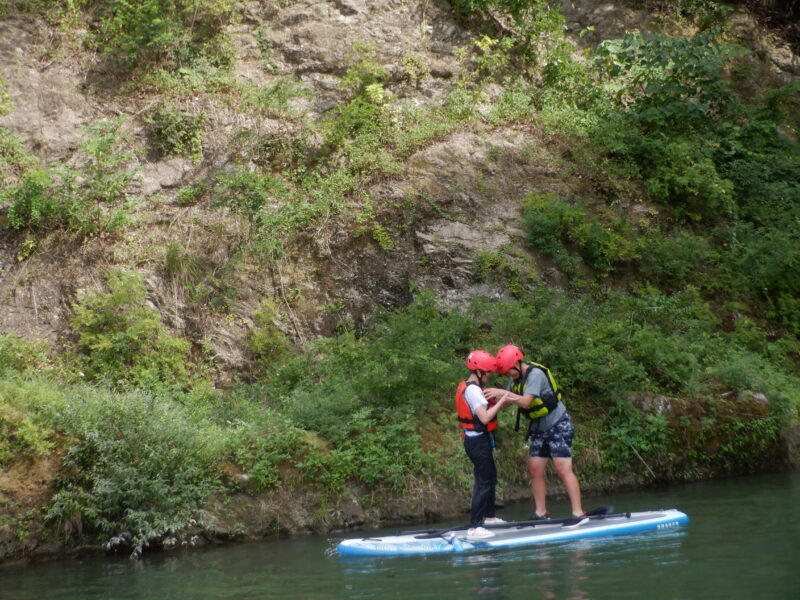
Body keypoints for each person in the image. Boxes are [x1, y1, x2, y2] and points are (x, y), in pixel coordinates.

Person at [484, 344, 585, 520]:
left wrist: (503, 393)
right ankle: (541, 513)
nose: (509, 375)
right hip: (539, 428)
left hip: (559, 424)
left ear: (518, 363)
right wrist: (494, 398)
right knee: (535, 470)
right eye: (507, 373)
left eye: (510, 371)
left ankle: (578, 512)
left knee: (563, 469)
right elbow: (510, 401)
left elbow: (525, 402)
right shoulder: (515, 378)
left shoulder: (535, 375)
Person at [455, 350, 512, 539]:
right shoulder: (472, 391)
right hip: (476, 442)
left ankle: (489, 517)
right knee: (483, 482)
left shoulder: (476, 388)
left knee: (490, 477)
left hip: (480, 440)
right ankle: (475, 527)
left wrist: (503, 397)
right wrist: (503, 399)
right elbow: (486, 417)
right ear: (478, 371)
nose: (489, 376)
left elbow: (493, 404)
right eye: (487, 373)